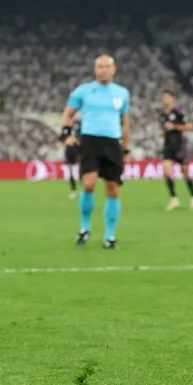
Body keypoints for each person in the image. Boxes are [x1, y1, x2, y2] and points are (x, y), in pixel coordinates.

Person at [60, 55, 130, 249]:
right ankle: (84, 228)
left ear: (114, 69)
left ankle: (110, 236)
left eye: (107, 66)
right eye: (100, 66)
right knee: (89, 185)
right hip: (90, 141)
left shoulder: (122, 93)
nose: (103, 70)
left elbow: (125, 122)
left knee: (113, 189)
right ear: (95, 69)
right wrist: (66, 135)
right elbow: (67, 115)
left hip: (112, 144)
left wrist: (125, 147)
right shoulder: (83, 91)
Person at [159, 90, 193, 211]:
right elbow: (164, 130)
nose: (165, 99)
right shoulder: (161, 115)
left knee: (185, 172)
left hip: (180, 146)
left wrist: (175, 126)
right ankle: (174, 199)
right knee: (166, 172)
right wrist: (163, 132)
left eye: (167, 97)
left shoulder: (178, 112)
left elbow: (190, 126)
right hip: (168, 146)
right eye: (163, 97)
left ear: (172, 98)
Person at [63, 115, 82, 200]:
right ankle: (73, 191)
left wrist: (75, 141)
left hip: (77, 151)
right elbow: (63, 139)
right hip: (69, 152)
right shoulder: (66, 129)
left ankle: (83, 190)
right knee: (70, 172)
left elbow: (80, 139)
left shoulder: (79, 127)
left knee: (80, 171)